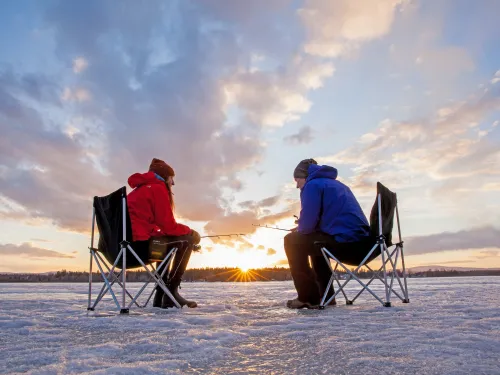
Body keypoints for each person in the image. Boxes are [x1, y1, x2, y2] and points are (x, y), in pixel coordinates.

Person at [284, 158, 372, 309]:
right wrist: (306, 228)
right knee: (315, 243)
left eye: (297, 180)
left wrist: (301, 228)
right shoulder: (338, 185)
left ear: (304, 176)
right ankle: (326, 296)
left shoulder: (312, 185)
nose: (297, 185)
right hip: (364, 243)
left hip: (346, 244)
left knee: (291, 240)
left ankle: (308, 298)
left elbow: (307, 227)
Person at [127, 158, 201, 308]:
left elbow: (142, 224)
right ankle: (170, 292)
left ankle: (161, 295)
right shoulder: (157, 188)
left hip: (122, 249)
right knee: (187, 240)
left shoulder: (139, 190)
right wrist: (191, 232)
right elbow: (169, 227)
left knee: (160, 242)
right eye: (171, 178)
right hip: (138, 249)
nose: (172, 183)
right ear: (165, 177)